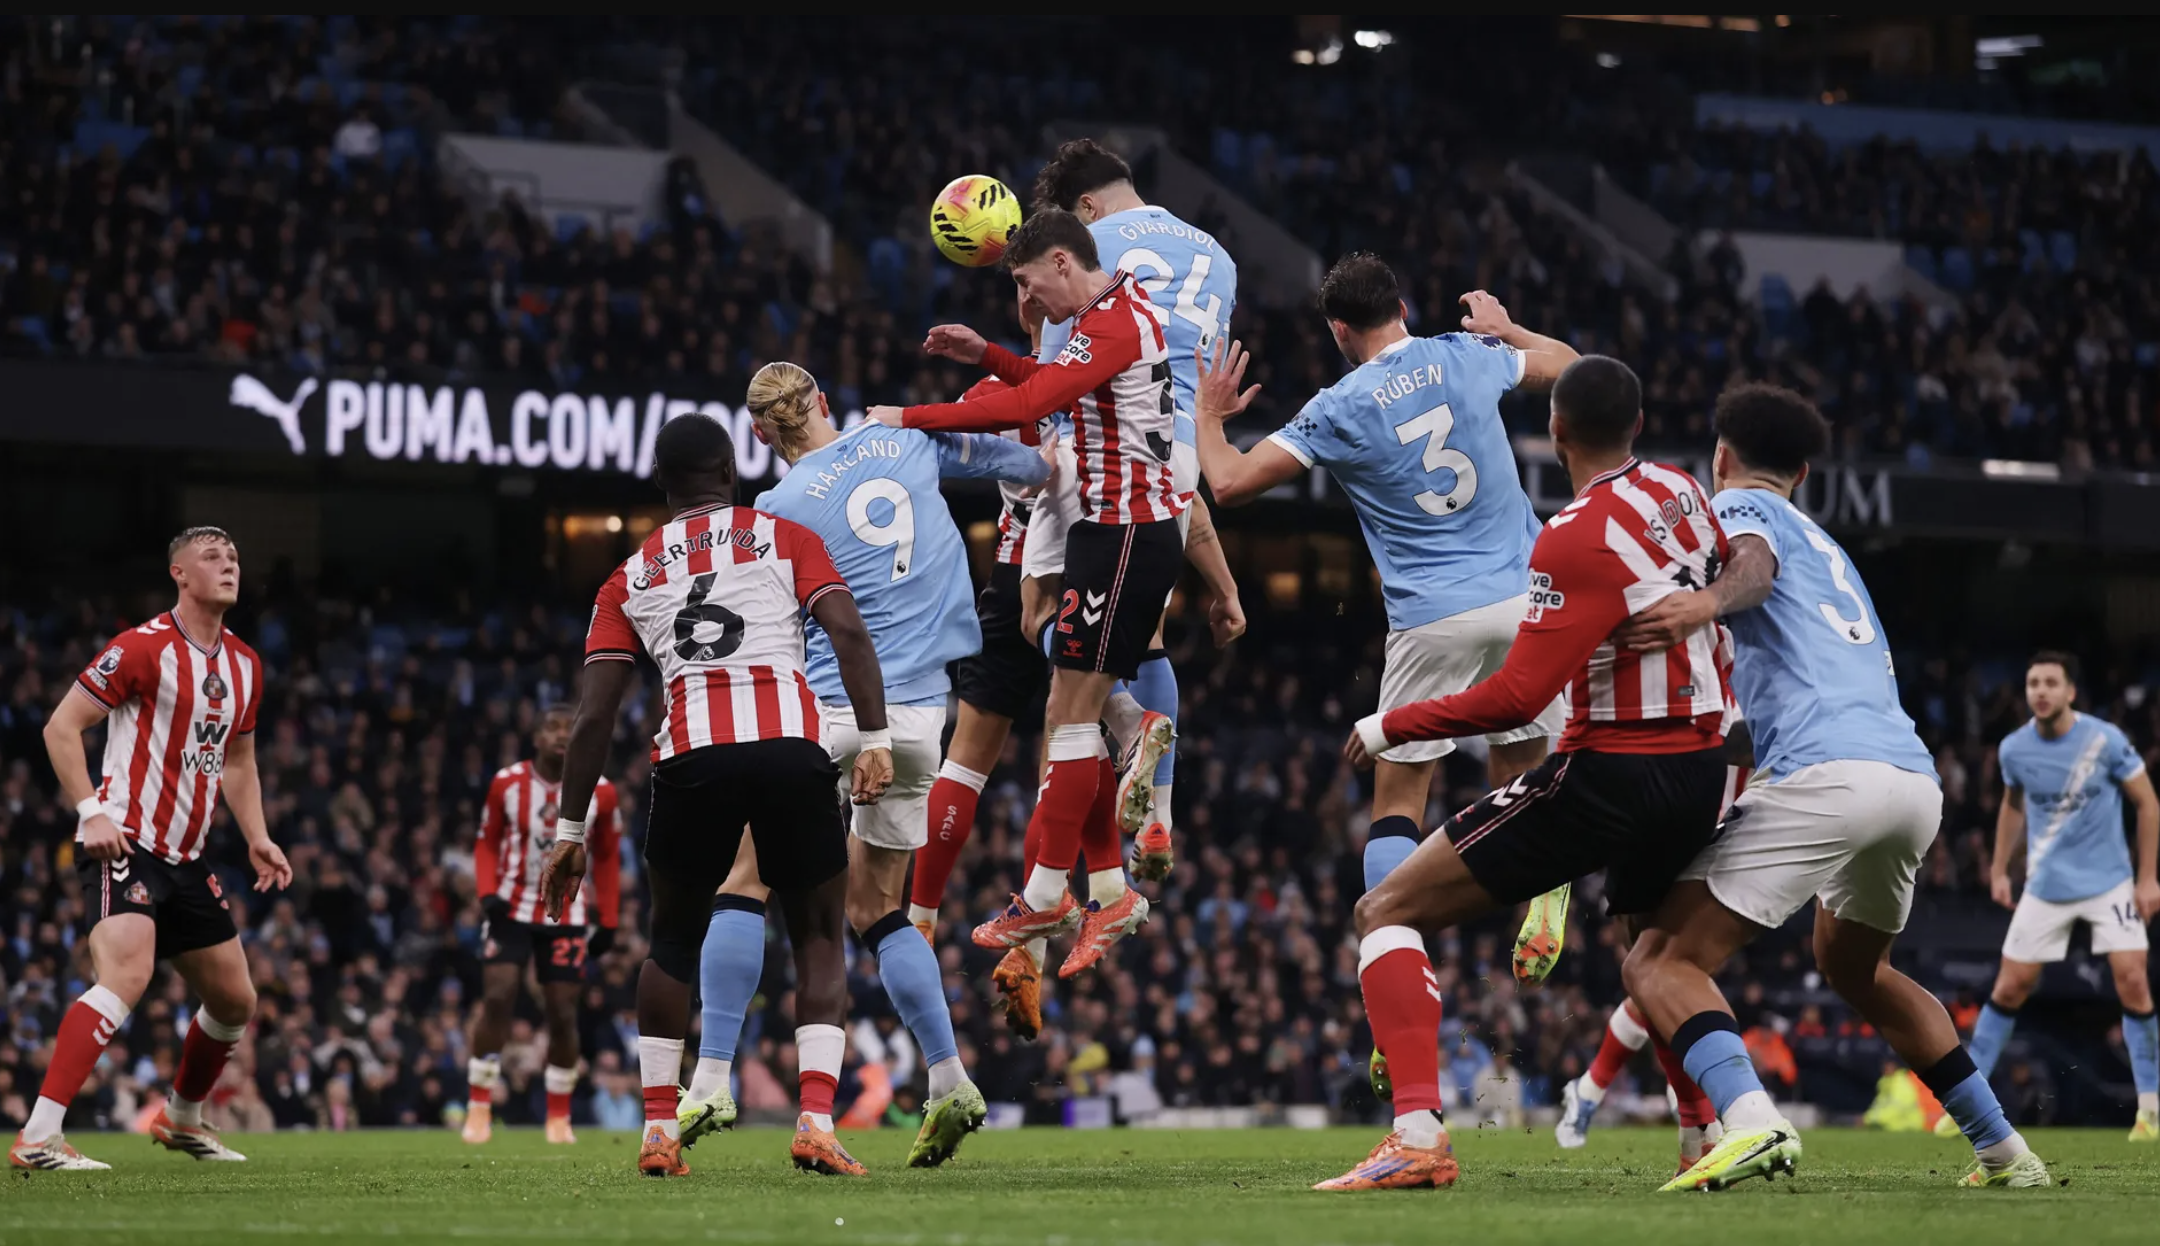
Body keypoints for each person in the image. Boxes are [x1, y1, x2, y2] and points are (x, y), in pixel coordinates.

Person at [1614, 383, 2050, 1190]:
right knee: (1856, 969)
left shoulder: (1742, 512)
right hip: (1910, 782)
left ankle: (1750, 1119)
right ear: (1807, 472)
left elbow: (1750, 568)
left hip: (1828, 774)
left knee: (1659, 962)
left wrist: (1704, 602)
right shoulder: (1833, 548)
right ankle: (2005, 1155)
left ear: (1721, 458)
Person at [1314, 356, 1731, 1192]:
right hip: (1703, 767)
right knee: (1651, 954)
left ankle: (1418, 1133)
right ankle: (1703, 1131)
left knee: (1385, 907)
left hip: (1608, 771)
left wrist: (1390, 721)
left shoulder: (1571, 535)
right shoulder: (1681, 492)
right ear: (1639, 426)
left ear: (1557, 431)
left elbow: (1517, 697)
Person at [678, 360, 1049, 1167]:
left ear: (761, 433)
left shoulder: (774, 509)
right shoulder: (901, 436)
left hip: (827, 711)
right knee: (880, 909)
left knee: (745, 881)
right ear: (821, 400)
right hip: (920, 719)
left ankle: (708, 1077)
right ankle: (949, 1077)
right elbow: (1027, 465)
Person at [537, 413, 894, 1179]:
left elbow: (595, 714)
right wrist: (875, 740)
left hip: (692, 757)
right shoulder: (783, 537)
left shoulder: (626, 576)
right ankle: (816, 1123)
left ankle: (659, 1131)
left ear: (662, 487)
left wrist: (570, 829)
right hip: (791, 750)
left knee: (671, 943)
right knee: (818, 937)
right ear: (730, 472)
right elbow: (848, 633)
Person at [1193, 255, 1574, 907]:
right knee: (1520, 767)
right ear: (1401, 310)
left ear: (1339, 331)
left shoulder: (1337, 408)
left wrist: (1207, 417)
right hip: (1525, 599)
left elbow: (1226, 484)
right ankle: (1546, 894)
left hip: (1434, 618)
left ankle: (1392, 939)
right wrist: (1507, 329)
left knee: (1400, 797)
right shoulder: (1463, 352)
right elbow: (1571, 368)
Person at [868, 208, 1185, 978]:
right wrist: (992, 355)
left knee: (1066, 722)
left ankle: (1053, 890)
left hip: (1123, 535)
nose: (1027, 295)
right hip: (1118, 536)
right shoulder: (1118, 313)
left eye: (1024, 278)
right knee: (1067, 712)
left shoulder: (1111, 323)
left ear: (1061, 261)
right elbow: (1045, 385)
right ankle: (1096, 887)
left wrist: (909, 419)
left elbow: (1027, 408)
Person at [15, 527, 292, 1171]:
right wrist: (91, 813)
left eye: (234, 556)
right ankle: (39, 1135)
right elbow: (61, 728)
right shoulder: (141, 648)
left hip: (188, 858)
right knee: (128, 974)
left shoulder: (246, 664)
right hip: (127, 841)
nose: (228, 565)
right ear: (179, 574)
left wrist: (257, 836)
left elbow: (239, 762)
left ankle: (181, 1118)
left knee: (235, 1000)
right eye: (212, 557)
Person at [1029, 137, 1248, 881]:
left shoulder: (1081, 251)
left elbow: (1053, 377)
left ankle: (1064, 873)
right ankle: (1156, 819)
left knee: (1047, 633)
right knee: (1145, 632)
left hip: (1102, 454)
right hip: (1180, 452)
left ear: (1083, 209)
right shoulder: (1217, 254)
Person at [1967, 651, 2160, 1140]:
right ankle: (1965, 1103)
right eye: (2033, 682)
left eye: (2051, 682)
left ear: (2070, 691)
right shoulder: (2014, 749)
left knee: (2133, 980)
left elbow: (2148, 804)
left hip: (2109, 881)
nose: (2041, 691)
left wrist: (2147, 879)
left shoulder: (2105, 740)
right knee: (2009, 987)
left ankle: (2151, 1112)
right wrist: (1999, 869)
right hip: (2046, 885)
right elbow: (2011, 807)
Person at [460, 704, 622, 1146]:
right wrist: (488, 893)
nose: (561, 736)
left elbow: (607, 858)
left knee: (563, 1011)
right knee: (497, 997)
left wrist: (608, 917)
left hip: (566, 913)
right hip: (511, 909)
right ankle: (478, 1108)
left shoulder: (602, 792)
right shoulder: (506, 783)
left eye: (569, 728)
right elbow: (486, 842)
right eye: (552, 728)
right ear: (536, 737)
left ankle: (558, 1115)